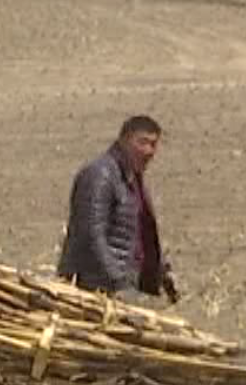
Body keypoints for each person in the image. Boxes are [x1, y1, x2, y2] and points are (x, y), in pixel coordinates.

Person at [57, 114, 179, 304]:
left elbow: (140, 233)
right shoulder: (100, 175)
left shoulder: (132, 179)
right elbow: (91, 234)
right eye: (142, 142)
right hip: (100, 290)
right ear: (124, 141)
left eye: (153, 144)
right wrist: (118, 281)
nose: (149, 151)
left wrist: (162, 272)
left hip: (129, 283)